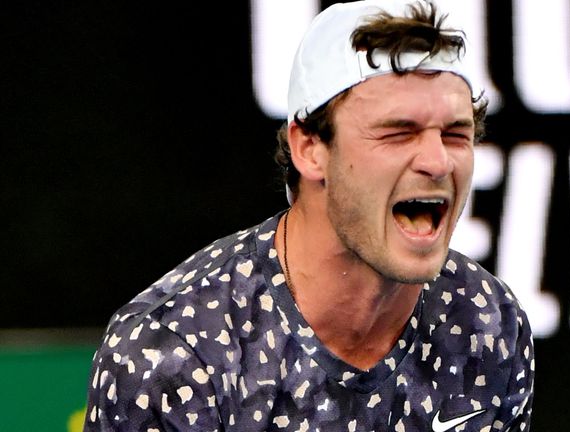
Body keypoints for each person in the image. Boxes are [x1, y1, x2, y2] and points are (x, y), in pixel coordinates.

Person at [83, 0, 535, 430]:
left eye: (457, 134)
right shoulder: (172, 352)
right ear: (309, 149)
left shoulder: (487, 322)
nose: (438, 162)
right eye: (398, 133)